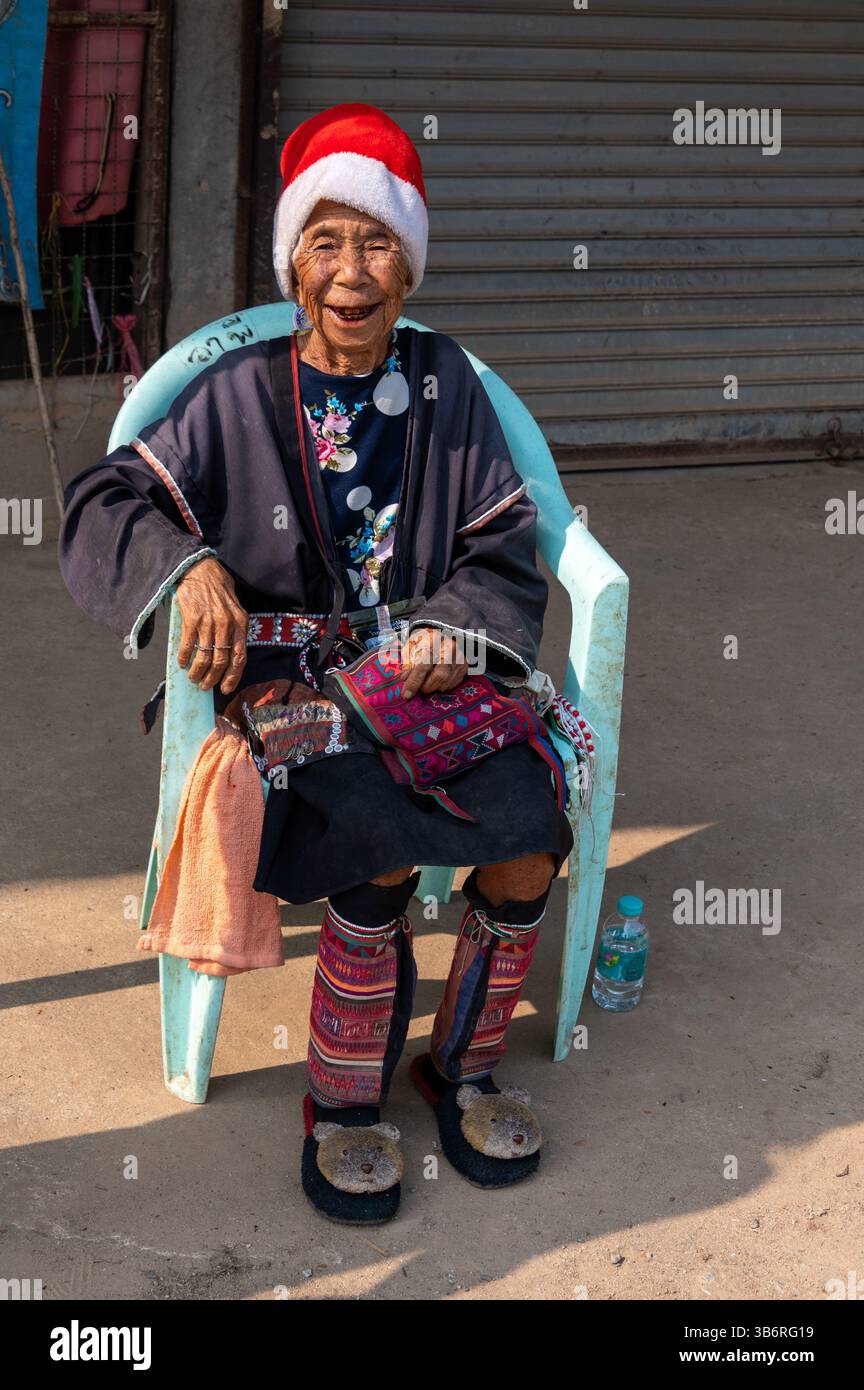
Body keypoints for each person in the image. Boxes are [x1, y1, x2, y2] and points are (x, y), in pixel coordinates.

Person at [59, 102, 574, 1224]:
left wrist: (450, 631)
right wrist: (190, 566)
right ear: (295, 262)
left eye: (377, 242)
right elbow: (104, 501)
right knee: (375, 856)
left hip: (433, 685)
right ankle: (343, 1105)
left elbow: (502, 544)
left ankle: (462, 1068)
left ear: (411, 265)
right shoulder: (239, 391)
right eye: (327, 242)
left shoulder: (444, 384)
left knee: (532, 837)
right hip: (305, 699)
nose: (352, 272)